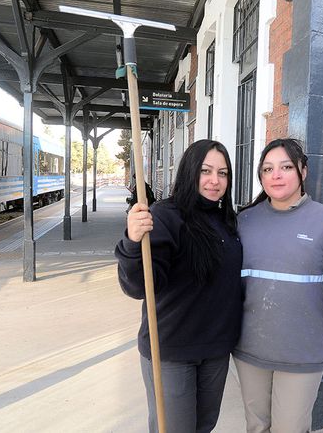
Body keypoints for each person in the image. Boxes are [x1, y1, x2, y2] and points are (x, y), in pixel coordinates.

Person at [233, 138, 323, 433]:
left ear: (303, 170)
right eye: (267, 169)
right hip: (249, 350)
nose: (276, 175)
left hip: (301, 353)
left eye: (286, 167)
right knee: (256, 426)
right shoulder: (244, 221)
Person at [114, 139, 243, 433]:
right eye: (206, 171)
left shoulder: (227, 221)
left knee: (204, 426)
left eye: (223, 173)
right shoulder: (164, 216)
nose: (214, 181)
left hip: (216, 350)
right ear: (189, 171)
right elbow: (138, 286)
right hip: (171, 349)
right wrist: (133, 243)